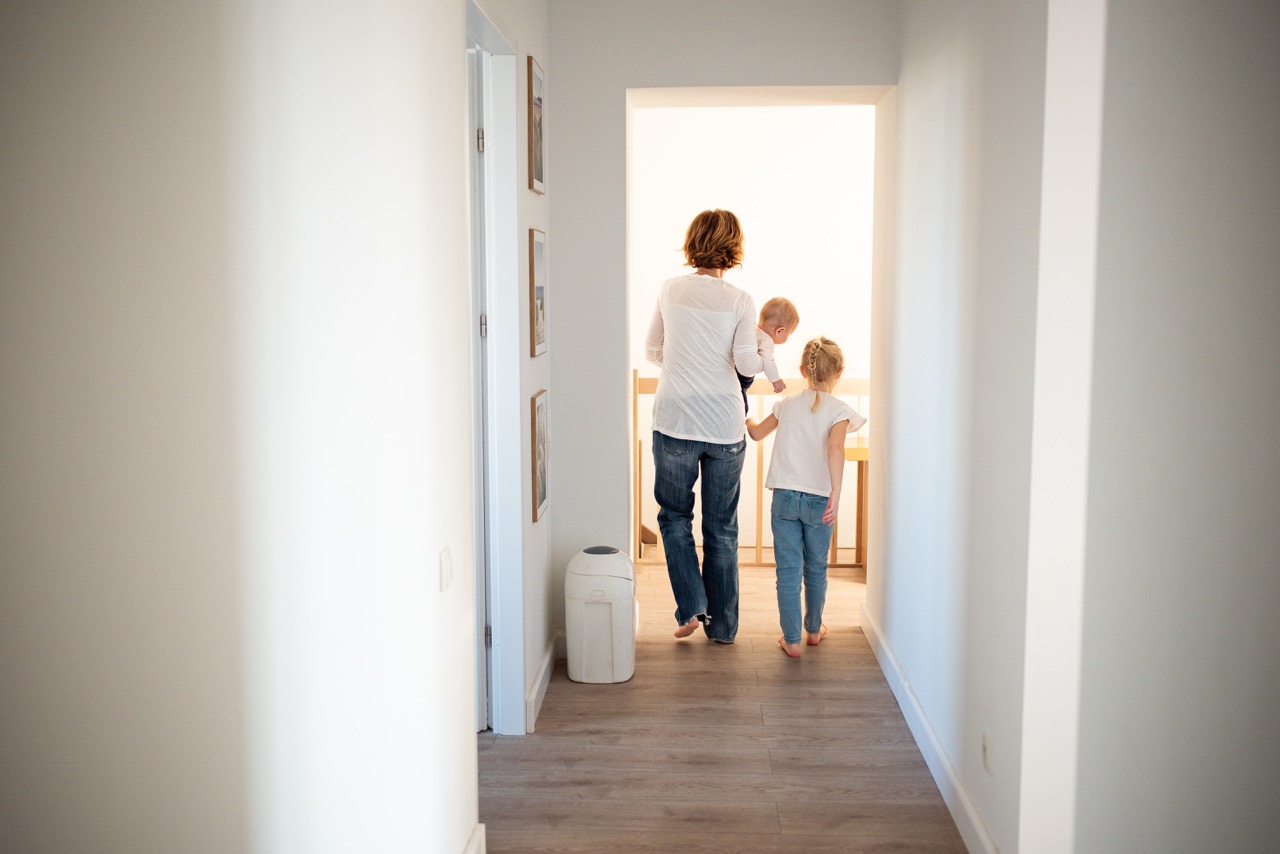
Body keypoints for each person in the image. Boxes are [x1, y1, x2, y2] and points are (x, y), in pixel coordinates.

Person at [645, 209, 762, 644]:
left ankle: (693, 605)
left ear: (692, 241)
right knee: (722, 528)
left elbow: (653, 350)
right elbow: (746, 364)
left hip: (675, 419)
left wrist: (684, 365)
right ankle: (724, 628)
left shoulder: (670, 289)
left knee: (675, 517)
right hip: (724, 426)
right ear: (734, 247)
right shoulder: (741, 300)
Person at [746, 337, 866, 658]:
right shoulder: (839, 410)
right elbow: (835, 449)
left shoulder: (786, 404)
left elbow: (757, 433)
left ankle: (792, 640)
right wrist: (836, 492)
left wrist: (747, 418)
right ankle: (813, 630)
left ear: (802, 370)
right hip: (819, 501)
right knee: (815, 567)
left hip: (784, 497)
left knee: (787, 570)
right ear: (839, 371)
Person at [736, 297, 799, 413]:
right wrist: (776, 380)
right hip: (742, 379)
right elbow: (768, 361)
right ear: (779, 331)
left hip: (733, 372)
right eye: (789, 334)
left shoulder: (750, 330)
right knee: (743, 408)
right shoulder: (766, 341)